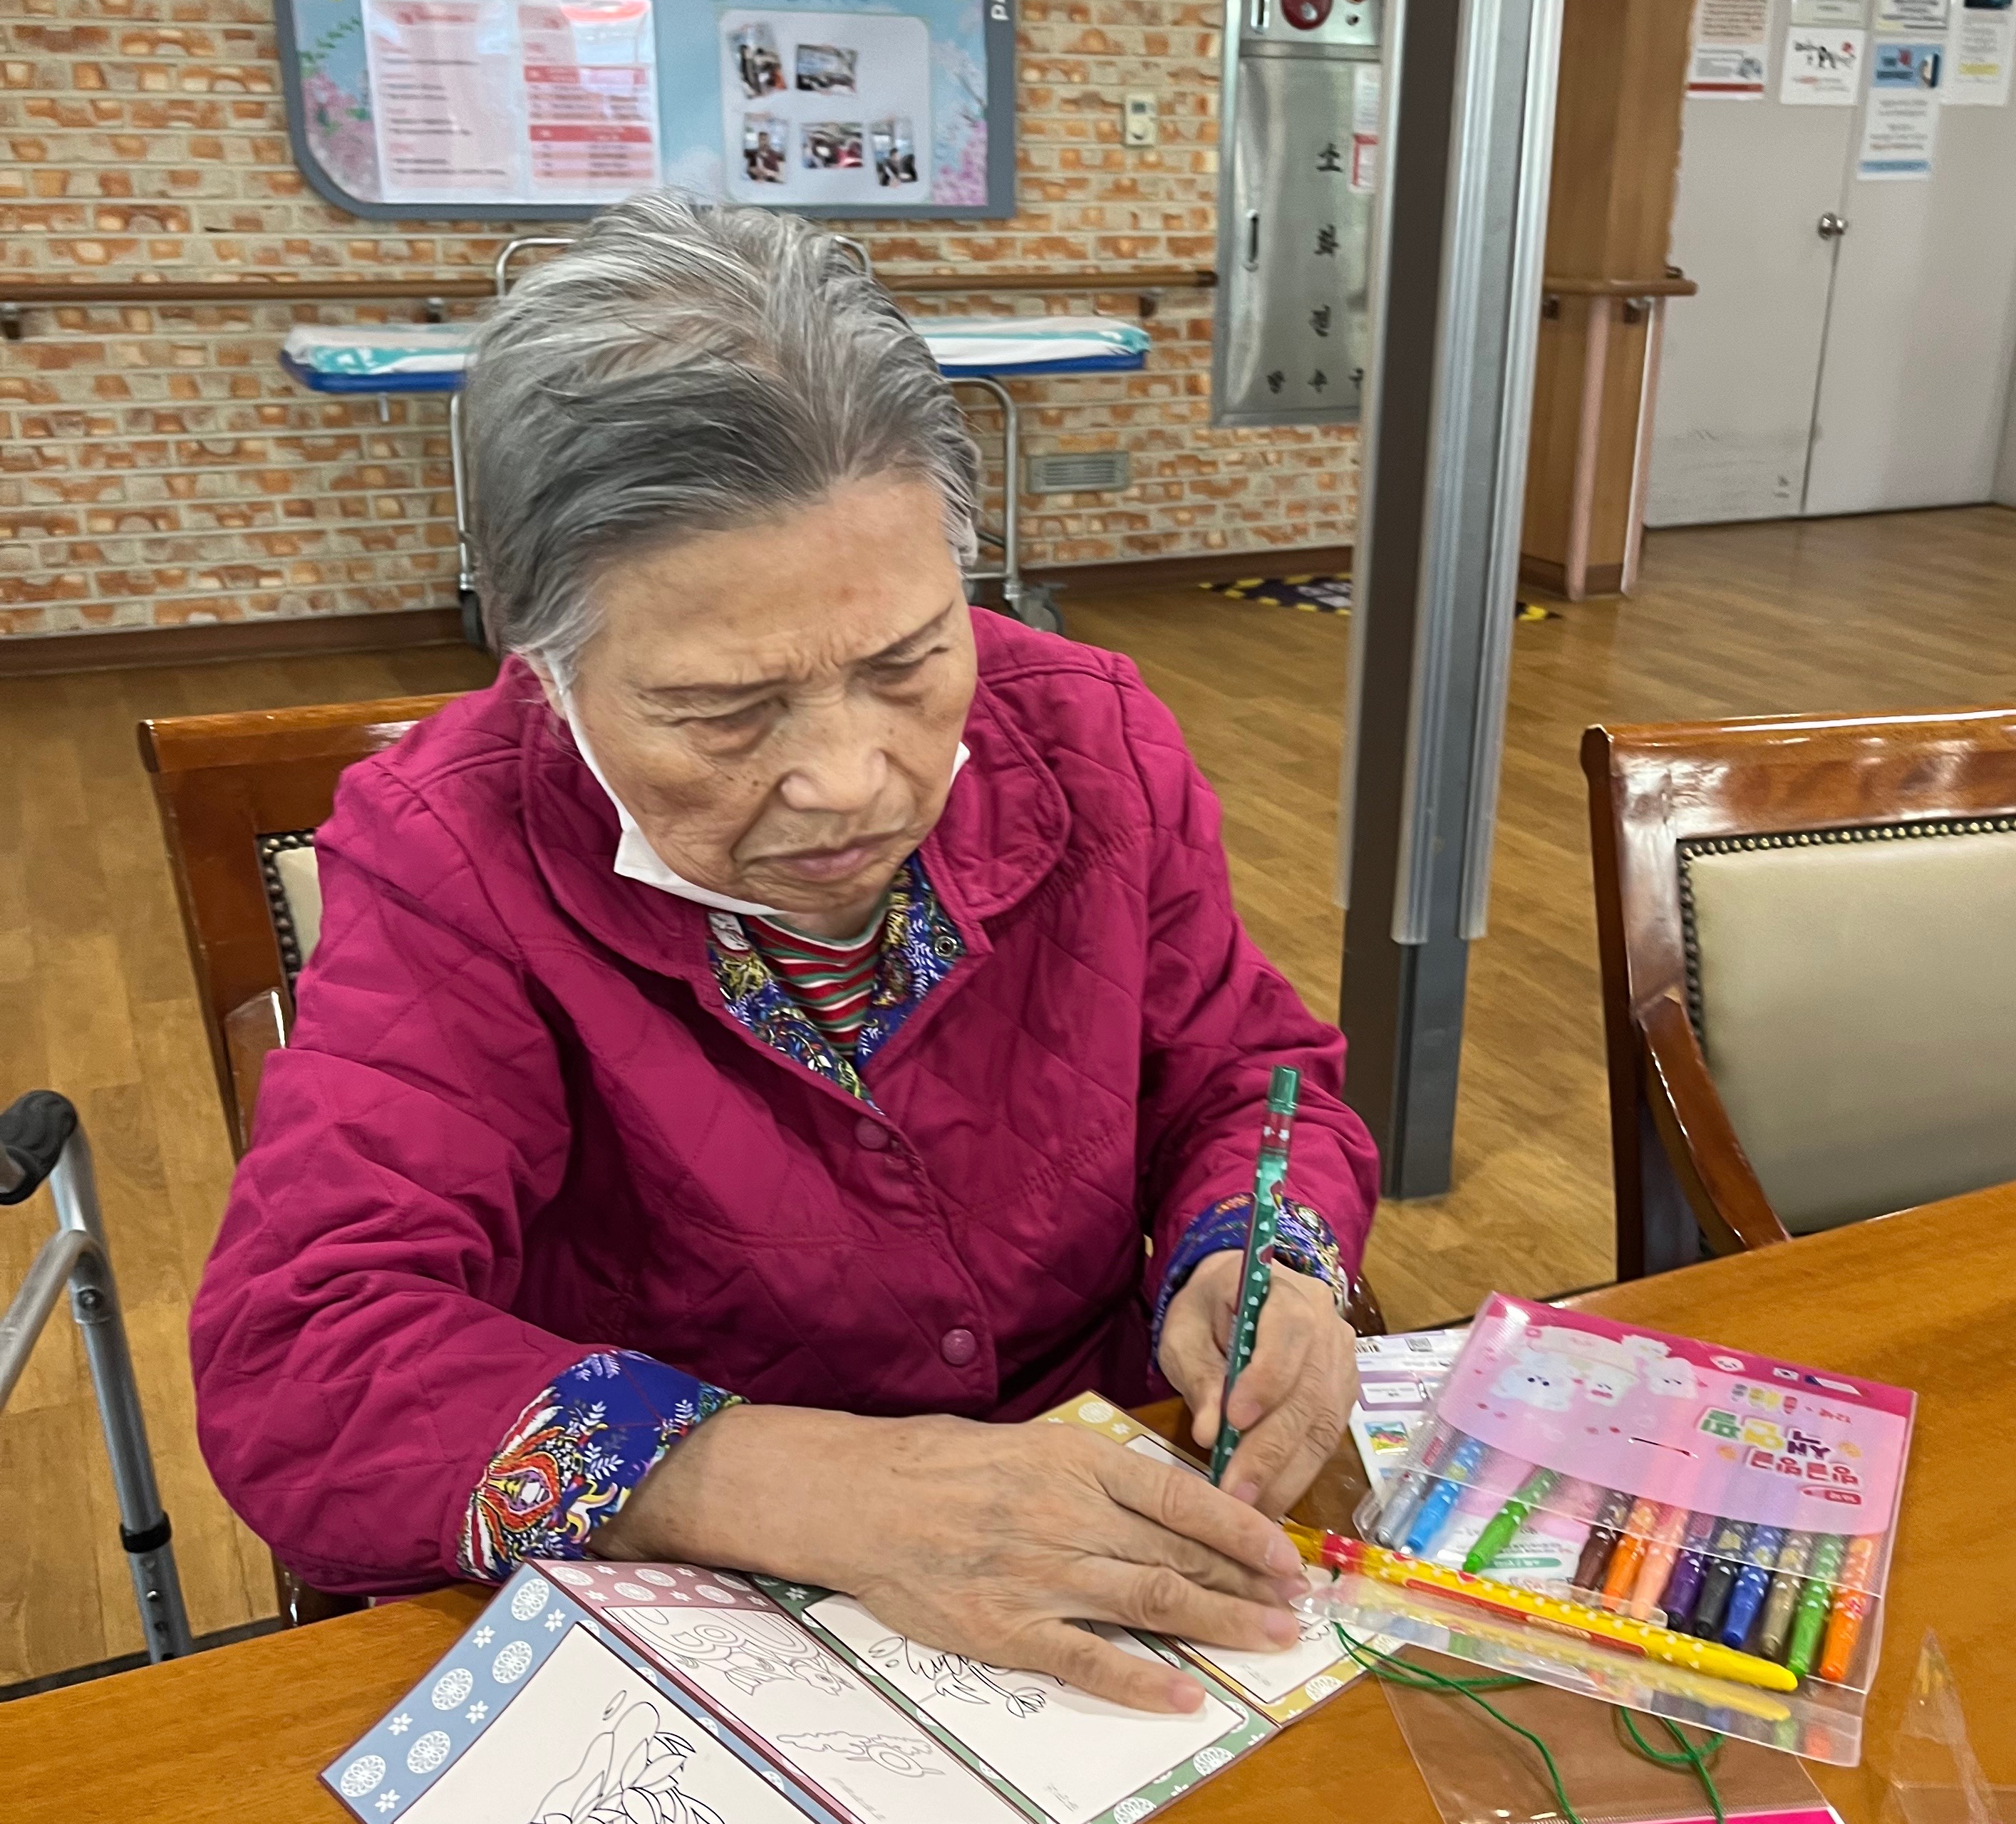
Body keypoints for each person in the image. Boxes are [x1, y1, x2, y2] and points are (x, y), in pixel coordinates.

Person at [191, 192, 1380, 1711]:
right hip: (703, 1605)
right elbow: (307, 1357)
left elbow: (1248, 1074)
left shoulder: (1089, 739)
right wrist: (798, 1487)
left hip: (1096, 1521)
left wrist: (1259, 1254)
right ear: (544, 663)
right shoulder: (449, 855)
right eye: (724, 711)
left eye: (910, 662)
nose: (848, 781)